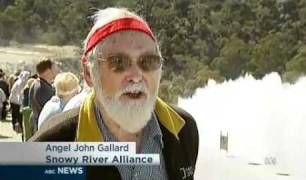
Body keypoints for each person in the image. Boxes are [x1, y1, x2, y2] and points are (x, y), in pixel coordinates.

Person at [30, 7, 199, 180]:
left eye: (148, 61)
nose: (136, 76)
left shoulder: (184, 128)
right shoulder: (49, 145)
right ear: (89, 73)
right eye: (118, 62)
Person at [29, 57, 57, 133]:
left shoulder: (35, 84)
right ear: (48, 71)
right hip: (44, 130)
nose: (56, 69)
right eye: (54, 67)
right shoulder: (43, 89)